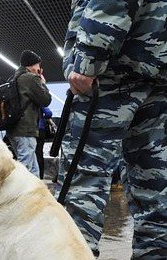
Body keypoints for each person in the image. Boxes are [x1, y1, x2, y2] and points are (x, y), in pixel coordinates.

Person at [56, 1, 167, 258]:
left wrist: (88, 59)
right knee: (155, 186)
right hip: (159, 74)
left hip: (112, 72)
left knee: (82, 181)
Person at [6, 50, 51, 177]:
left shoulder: (13, 78)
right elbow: (46, 100)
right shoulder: (30, 78)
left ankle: (34, 194)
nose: (39, 69)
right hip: (25, 130)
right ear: (32, 65)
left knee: (32, 168)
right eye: (38, 65)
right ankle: (21, 195)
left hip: (13, 129)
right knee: (25, 169)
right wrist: (43, 84)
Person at [35, 107, 55, 179]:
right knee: (39, 153)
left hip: (28, 130)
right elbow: (48, 113)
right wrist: (43, 118)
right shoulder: (39, 100)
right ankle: (40, 176)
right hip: (40, 129)